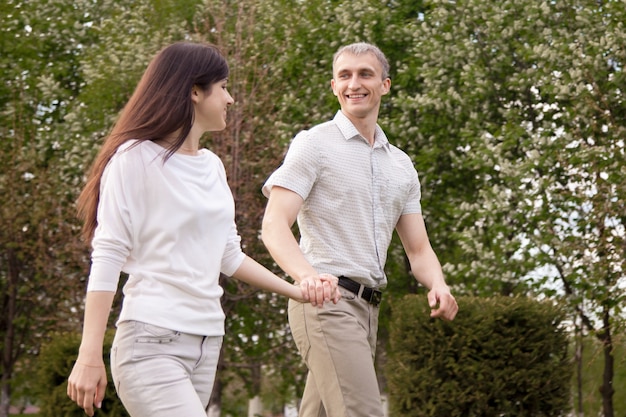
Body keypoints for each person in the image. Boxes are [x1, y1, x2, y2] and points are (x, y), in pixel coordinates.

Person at [66, 42, 339, 417]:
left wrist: (295, 291)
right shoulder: (134, 159)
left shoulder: (211, 166)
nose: (230, 98)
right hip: (151, 341)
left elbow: (228, 254)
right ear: (195, 91)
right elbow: (109, 254)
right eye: (223, 86)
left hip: (207, 340)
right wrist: (88, 354)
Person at [260, 42, 458, 417]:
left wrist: (439, 284)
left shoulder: (401, 166)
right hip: (326, 303)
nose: (355, 83)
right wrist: (306, 277)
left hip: (368, 311)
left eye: (365, 74)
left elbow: (418, 249)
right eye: (345, 75)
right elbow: (273, 225)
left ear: (385, 84)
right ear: (334, 86)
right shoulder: (313, 145)